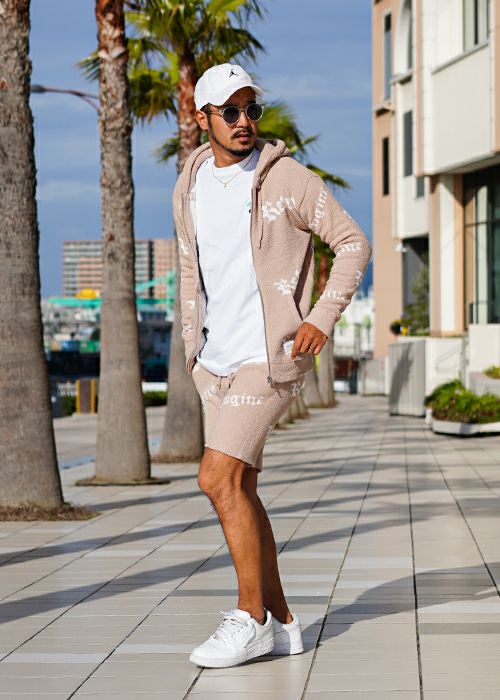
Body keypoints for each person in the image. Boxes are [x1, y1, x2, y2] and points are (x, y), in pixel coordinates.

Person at [173, 63, 372, 668]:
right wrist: (192, 348)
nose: (244, 122)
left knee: (216, 479)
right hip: (214, 361)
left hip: (269, 355)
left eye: (251, 110)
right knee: (241, 489)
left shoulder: (286, 178)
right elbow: (192, 269)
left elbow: (353, 244)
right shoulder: (189, 182)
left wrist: (320, 317)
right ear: (202, 117)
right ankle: (283, 621)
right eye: (230, 111)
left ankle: (250, 617)